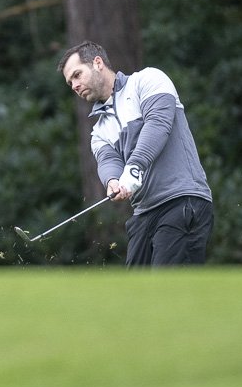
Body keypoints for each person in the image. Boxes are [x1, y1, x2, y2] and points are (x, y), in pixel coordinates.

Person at [58, 40, 214, 267]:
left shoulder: (148, 80)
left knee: (169, 287)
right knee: (135, 288)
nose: (74, 85)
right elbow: (108, 160)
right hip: (143, 214)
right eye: (70, 82)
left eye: (77, 75)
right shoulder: (99, 131)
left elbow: (158, 123)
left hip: (181, 200)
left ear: (98, 63)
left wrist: (134, 166)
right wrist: (112, 181)